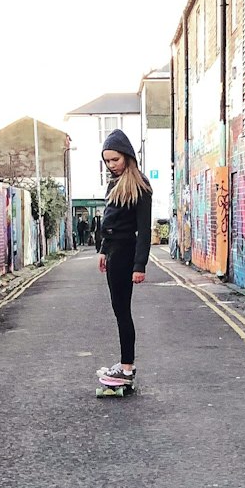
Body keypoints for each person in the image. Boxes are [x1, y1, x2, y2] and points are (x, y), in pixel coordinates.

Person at [96, 129, 152, 387]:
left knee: (122, 310)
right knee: (119, 310)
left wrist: (139, 265)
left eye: (115, 160)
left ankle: (127, 368)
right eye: (107, 161)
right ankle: (125, 362)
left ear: (127, 156)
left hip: (127, 253)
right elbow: (109, 222)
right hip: (113, 251)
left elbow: (144, 229)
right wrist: (103, 250)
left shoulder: (140, 186)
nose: (111, 165)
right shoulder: (113, 184)